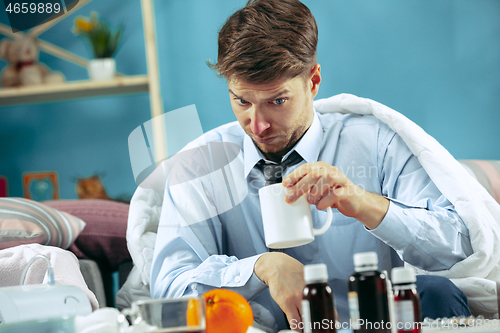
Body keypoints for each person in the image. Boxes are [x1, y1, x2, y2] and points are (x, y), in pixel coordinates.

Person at [150, 0, 472, 331]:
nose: (257, 125)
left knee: (437, 293)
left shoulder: (377, 144)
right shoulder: (200, 165)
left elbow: (456, 244)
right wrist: (261, 267)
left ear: (313, 81)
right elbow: (168, 289)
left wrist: (365, 204)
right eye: (242, 101)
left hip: (374, 324)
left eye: (277, 101)